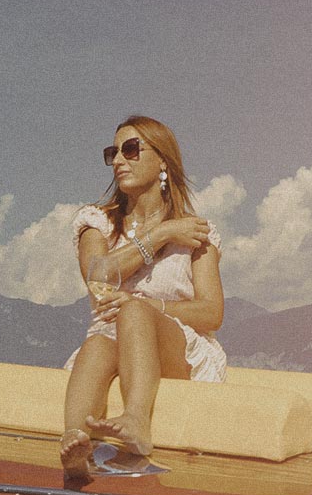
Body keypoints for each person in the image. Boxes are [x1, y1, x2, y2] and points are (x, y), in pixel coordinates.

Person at [61, 116, 226, 472]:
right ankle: (75, 442)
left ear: (163, 160)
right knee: (96, 344)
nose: (119, 160)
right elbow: (98, 275)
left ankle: (136, 418)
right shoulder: (97, 223)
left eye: (131, 149)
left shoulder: (197, 232)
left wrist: (146, 305)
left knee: (133, 312)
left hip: (177, 348)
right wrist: (161, 235)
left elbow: (212, 313)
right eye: (113, 152)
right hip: (110, 339)